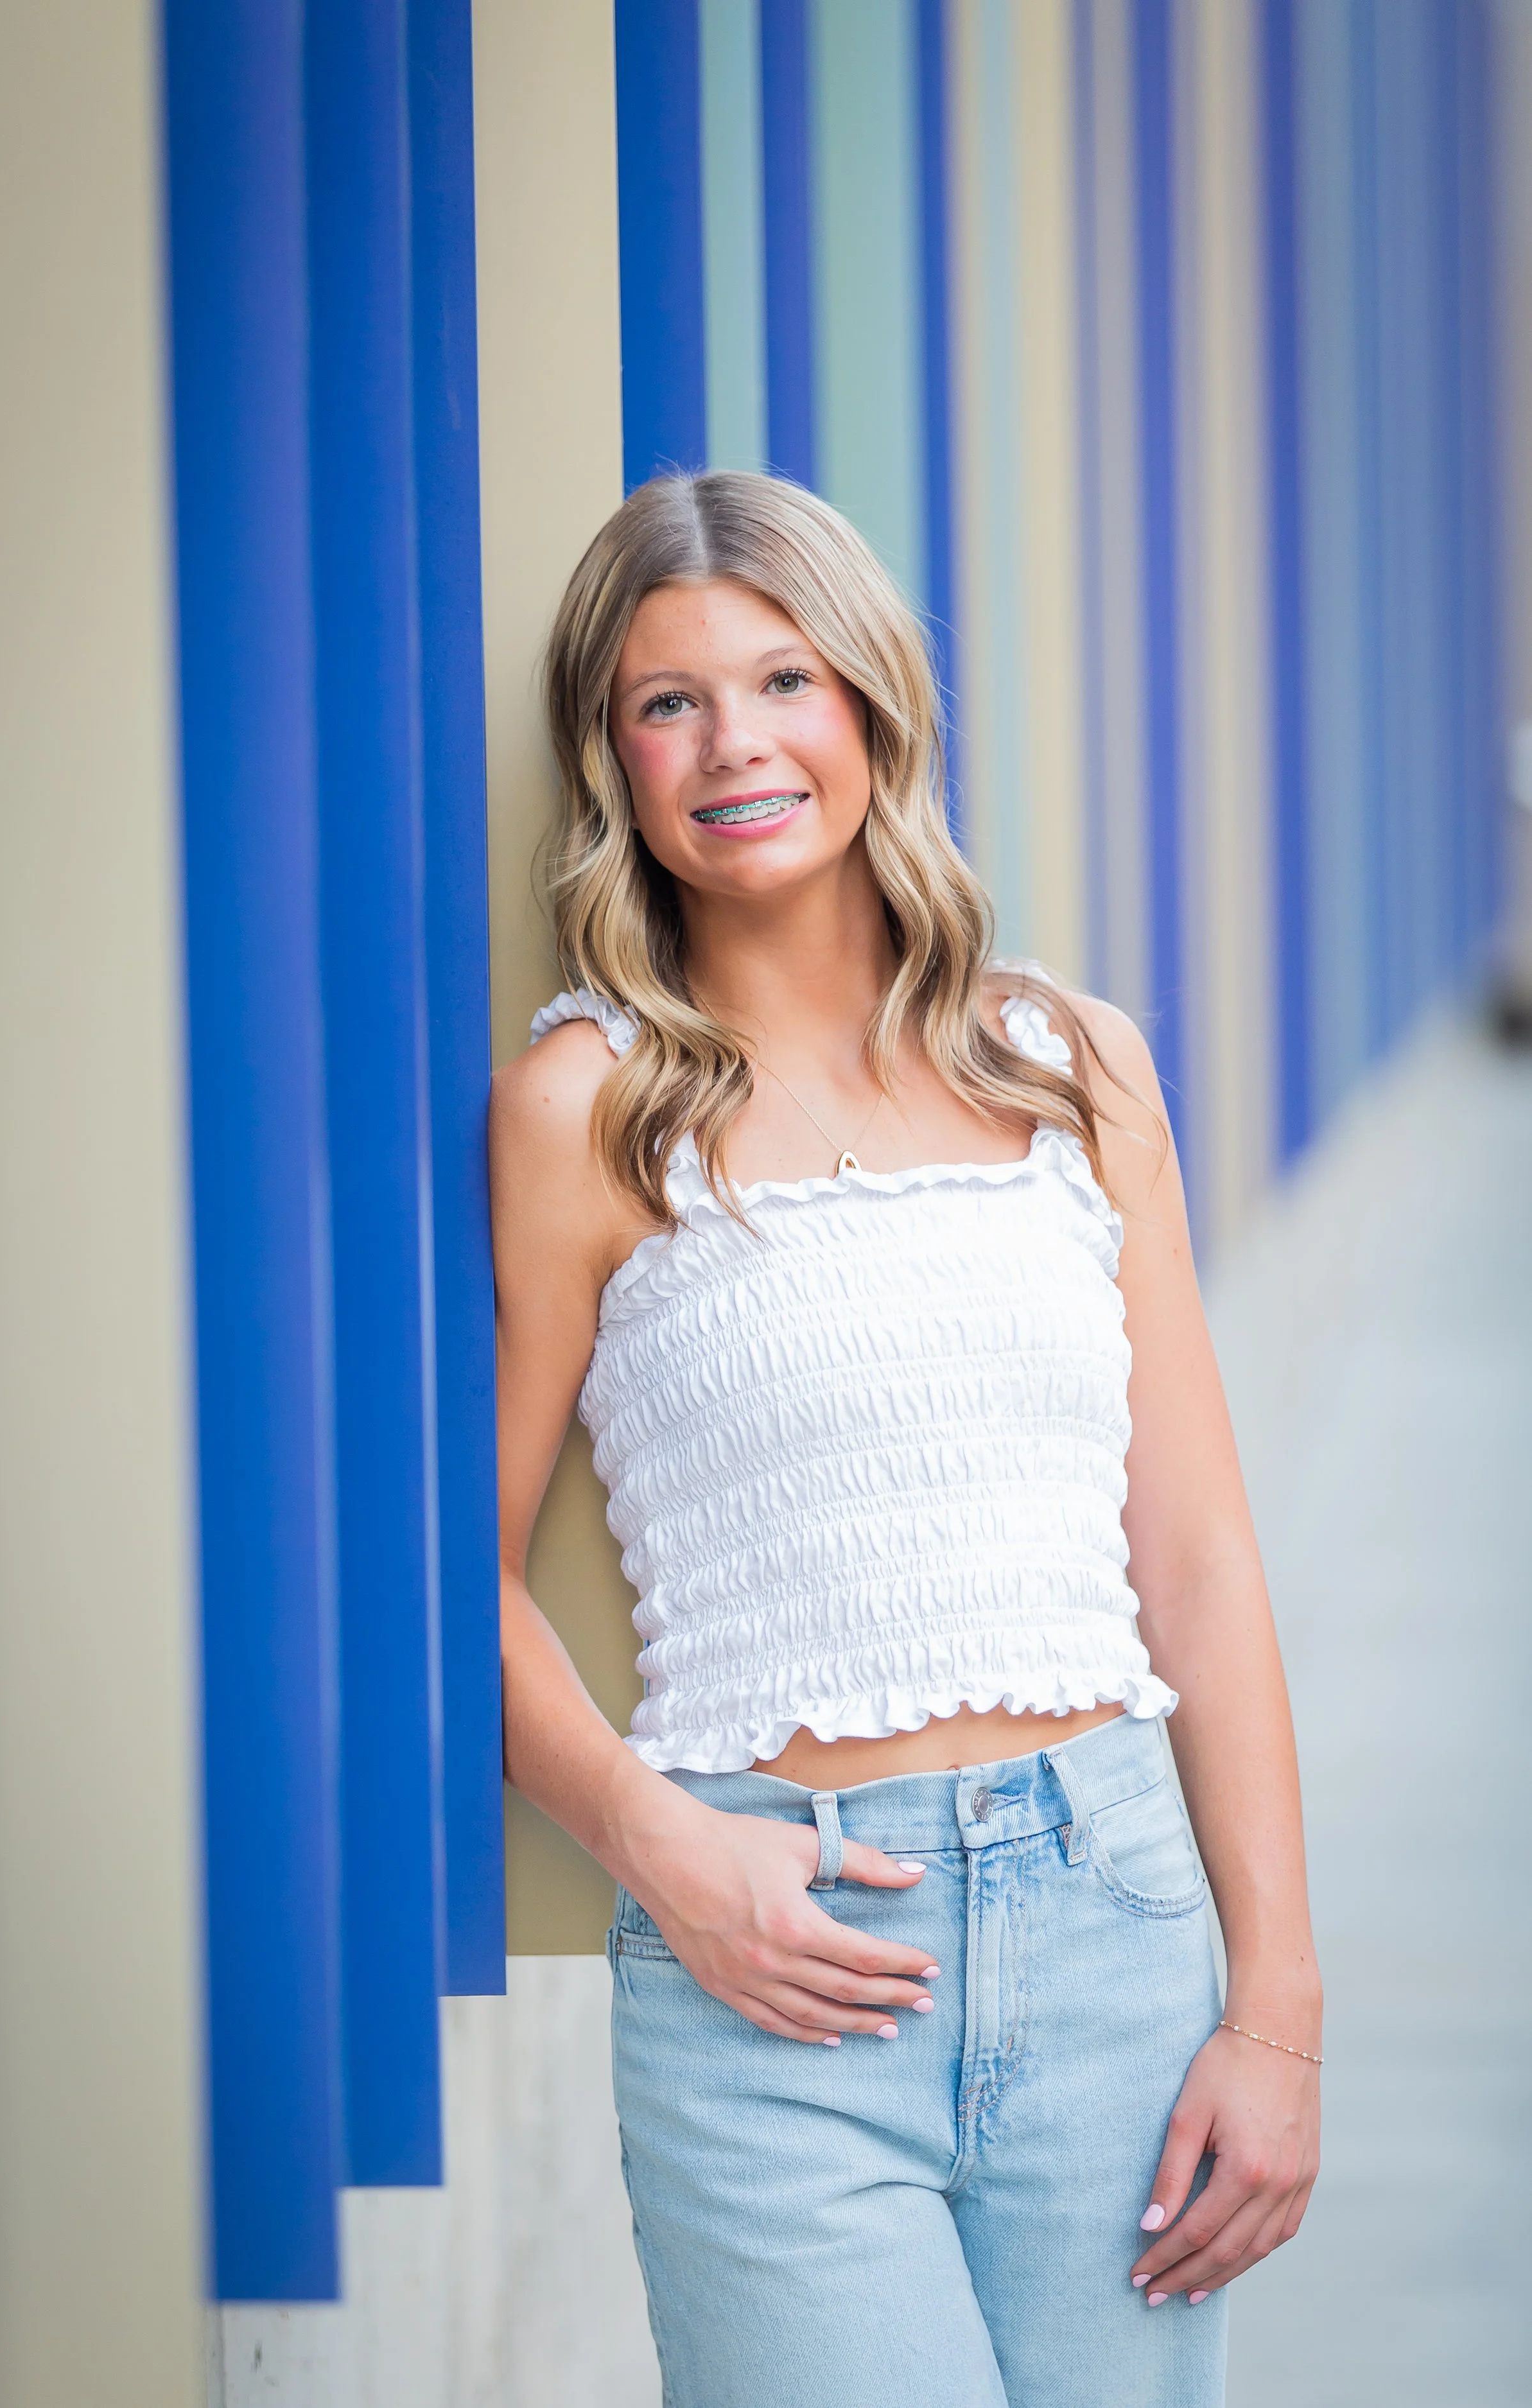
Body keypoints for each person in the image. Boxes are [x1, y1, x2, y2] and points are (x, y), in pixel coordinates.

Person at [490, 471, 1320, 2408]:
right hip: (778, 1956)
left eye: (781, 677)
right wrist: (663, 1853)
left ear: (870, 703)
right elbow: (458, 1581)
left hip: (1114, 1920)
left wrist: (1274, 2008)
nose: (735, 742)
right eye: (662, 701)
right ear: (612, 761)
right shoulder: (587, 1107)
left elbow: (1192, 1556)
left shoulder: (1069, 1064)